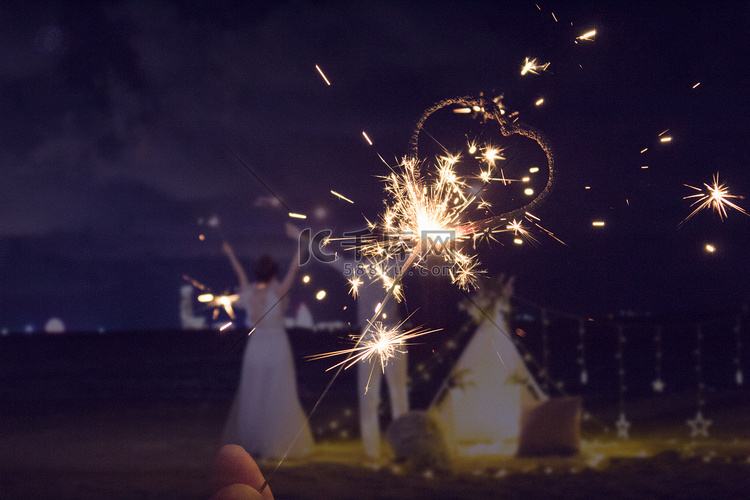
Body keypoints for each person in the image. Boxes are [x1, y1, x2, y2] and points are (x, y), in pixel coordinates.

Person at [221, 223, 313, 460]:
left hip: (256, 348)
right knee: (278, 394)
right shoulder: (279, 290)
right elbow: (294, 267)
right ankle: (273, 444)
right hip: (277, 346)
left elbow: (240, 275)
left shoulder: (248, 293)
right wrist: (301, 241)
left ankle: (254, 443)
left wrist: (230, 254)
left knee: (254, 393)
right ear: (274, 273)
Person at [336, 258, 410, 462]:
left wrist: (304, 239)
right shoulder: (387, 265)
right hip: (376, 336)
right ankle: (378, 450)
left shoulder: (387, 266)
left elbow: (332, 259)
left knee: (390, 394)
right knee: (384, 394)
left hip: (389, 334)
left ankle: (394, 449)